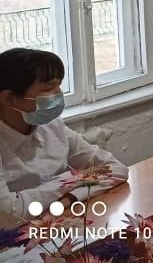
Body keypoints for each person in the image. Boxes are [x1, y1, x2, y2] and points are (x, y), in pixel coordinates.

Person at [0, 49, 128, 228]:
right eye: (48, 89)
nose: (58, 93)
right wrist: (72, 180)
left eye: (59, 85)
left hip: (58, 223)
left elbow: (117, 169)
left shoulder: (52, 126)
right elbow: (7, 216)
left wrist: (70, 197)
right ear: (8, 98)